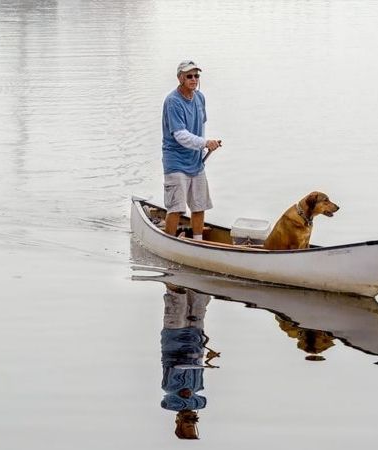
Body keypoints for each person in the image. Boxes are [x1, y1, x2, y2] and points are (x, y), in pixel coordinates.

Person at [161, 60, 222, 240]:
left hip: (196, 162)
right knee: (177, 208)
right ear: (180, 78)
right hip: (176, 162)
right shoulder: (173, 102)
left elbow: (200, 126)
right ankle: (169, 243)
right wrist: (204, 143)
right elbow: (180, 135)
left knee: (199, 205)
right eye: (189, 76)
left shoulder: (200, 98)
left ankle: (198, 242)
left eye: (196, 76)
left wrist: (204, 148)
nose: (194, 79)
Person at [160, 283, 219, 439]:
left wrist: (185, 401)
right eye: (193, 423)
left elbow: (178, 393)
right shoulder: (198, 397)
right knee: (200, 300)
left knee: (178, 301)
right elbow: (197, 367)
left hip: (174, 337)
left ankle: (170, 275)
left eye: (188, 423)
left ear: (178, 421)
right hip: (195, 339)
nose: (191, 420)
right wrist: (208, 355)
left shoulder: (171, 398)